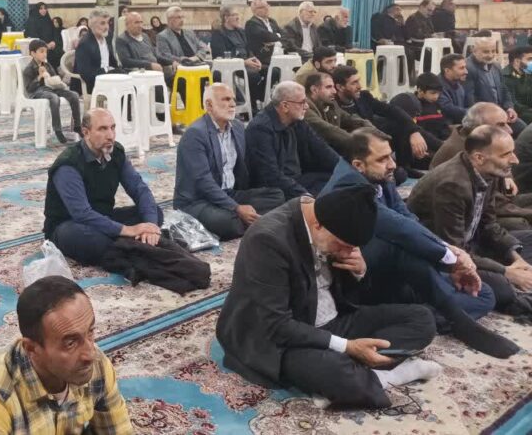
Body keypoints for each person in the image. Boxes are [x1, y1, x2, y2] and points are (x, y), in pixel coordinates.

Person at [216, 183, 440, 410]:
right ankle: (385, 376)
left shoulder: (334, 225)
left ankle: (350, 373)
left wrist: (359, 271)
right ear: (318, 225)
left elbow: (352, 297)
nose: (346, 252)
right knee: (334, 372)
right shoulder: (267, 240)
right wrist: (347, 346)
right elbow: (276, 324)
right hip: (279, 337)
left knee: (421, 319)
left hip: (332, 321)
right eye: (343, 246)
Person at [322, 130, 516, 358]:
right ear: (358, 165)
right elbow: (398, 228)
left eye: (391, 156)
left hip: (396, 274)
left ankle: (424, 314)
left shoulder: (378, 176)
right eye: (383, 159)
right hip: (360, 280)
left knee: (487, 294)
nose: (392, 164)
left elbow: (405, 215)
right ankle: (454, 319)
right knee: (401, 246)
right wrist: (450, 258)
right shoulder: (347, 186)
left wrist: (448, 250)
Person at [0, 276, 131, 434]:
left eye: (90, 332)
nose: (90, 354)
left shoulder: (95, 364)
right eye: (70, 343)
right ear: (31, 348)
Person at [407, 126, 532, 316]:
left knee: (526, 239)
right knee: (502, 289)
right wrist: (507, 271)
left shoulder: (487, 172)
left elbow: (489, 225)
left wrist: (516, 258)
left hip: (471, 245)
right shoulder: (452, 184)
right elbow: (454, 250)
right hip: (444, 257)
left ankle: (519, 277)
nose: (515, 159)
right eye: (506, 154)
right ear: (479, 157)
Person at [43, 108, 163, 266]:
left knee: (155, 212)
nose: (110, 135)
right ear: (86, 132)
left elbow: (139, 189)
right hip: (69, 225)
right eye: (103, 129)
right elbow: (82, 214)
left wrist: (151, 226)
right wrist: (129, 230)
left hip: (103, 216)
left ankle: (127, 244)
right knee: (91, 240)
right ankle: (130, 245)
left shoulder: (116, 152)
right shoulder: (69, 164)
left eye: (113, 128)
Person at [175, 84, 284, 240]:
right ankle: (247, 220)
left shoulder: (237, 127)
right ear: (209, 105)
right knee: (228, 223)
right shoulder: (195, 134)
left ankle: (246, 220)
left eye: (233, 99)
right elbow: (203, 182)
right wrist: (236, 208)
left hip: (229, 193)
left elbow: (244, 169)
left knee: (277, 196)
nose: (232, 104)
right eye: (226, 99)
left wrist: (245, 200)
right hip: (198, 200)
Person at [245, 80, 339, 197]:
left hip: (298, 179)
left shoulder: (296, 120)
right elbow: (269, 175)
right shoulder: (260, 129)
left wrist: (346, 170)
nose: (307, 106)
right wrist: (305, 195)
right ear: (285, 106)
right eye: (302, 102)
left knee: (340, 180)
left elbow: (321, 148)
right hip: (277, 189)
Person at [332, 65, 430, 174]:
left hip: (376, 140)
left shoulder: (364, 97)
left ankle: (406, 166)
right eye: (354, 83)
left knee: (401, 125)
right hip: (355, 149)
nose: (360, 86)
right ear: (340, 87)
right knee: (398, 174)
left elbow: (392, 110)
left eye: (358, 81)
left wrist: (414, 131)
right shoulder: (333, 106)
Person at [23, 40, 81, 145]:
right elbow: (29, 89)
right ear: (33, 53)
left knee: (74, 95)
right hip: (37, 91)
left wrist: (57, 82)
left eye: (46, 51)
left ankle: (77, 126)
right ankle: (58, 130)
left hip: (51, 88)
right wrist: (39, 76)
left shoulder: (47, 65)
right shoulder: (29, 69)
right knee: (54, 98)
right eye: (41, 51)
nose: (44, 54)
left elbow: (55, 78)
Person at [303, 72, 372, 158]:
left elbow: (351, 119)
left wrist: (378, 135)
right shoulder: (305, 108)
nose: (334, 91)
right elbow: (328, 130)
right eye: (328, 87)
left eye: (333, 87)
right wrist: (363, 145)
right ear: (314, 90)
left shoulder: (330, 103)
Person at [467, 38, 526, 134]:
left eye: (493, 51)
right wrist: (493, 115)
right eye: (486, 52)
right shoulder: (468, 68)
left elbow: (504, 89)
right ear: (474, 50)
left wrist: (509, 108)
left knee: (523, 129)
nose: (490, 55)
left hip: (501, 112)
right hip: (484, 117)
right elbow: (470, 100)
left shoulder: (496, 65)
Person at [208, 6, 264, 103]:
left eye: (238, 15)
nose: (238, 18)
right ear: (226, 18)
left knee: (272, 71)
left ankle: (259, 98)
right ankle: (251, 104)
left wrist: (255, 59)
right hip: (232, 66)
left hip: (247, 62)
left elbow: (248, 49)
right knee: (254, 76)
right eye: (234, 15)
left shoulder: (241, 31)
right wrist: (244, 62)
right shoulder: (218, 34)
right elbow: (220, 56)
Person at [391, 73, 452, 149]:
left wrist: (447, 140)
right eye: (433, 93)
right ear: (420, 91)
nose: (436, 96)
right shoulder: (412, 106)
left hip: (440, 145)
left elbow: (443, 126)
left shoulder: (437, 106)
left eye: (438, 93)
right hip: (422, 146)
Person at [72, 8, 118, 95]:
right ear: (92, 25)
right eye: (102, 23)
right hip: (92, 84)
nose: (107, 27)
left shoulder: (107, 38)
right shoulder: (85, 44)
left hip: (109, 79)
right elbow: (86, 74)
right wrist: (107, 70)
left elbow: (113, 63)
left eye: (107, 23)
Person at [115, 11, 169, 78]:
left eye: (141, 22)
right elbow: (126, 61)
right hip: (139, 73)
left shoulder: (145, 36)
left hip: (155, 70)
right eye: (136, 22)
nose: (140, 25)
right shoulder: (122, 40)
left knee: (174, 72)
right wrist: (149, 65)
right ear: (127, 25)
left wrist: (172, 61)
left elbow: (155, 54)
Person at [245, 0, 291, 65]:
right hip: (263, 57)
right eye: (262, 7)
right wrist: (278, 35)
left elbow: (285, 35)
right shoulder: (251, 23)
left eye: (267, 6)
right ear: (254, 10)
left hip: (279, 54)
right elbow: (267, 37)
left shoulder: (272, 21)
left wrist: (278, 42)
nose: (266, 8)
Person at [438, 53, 473, 124]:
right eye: (461, 68)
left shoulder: (458, 84)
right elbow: (448, 109)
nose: (466, 71)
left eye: (465, 67)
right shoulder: (437, 86)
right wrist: (474, 113)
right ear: (447, 70)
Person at [24, 3, 61, 67]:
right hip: (39, 49)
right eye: (41, 9)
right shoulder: (32, 21)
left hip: (51, 49)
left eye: (45, 8)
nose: (43, 10)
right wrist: (45, 45)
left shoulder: (48, 20)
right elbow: (33, 37)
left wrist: (54, 42)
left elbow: (55, 33)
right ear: (36, 10)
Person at [502, 46, 532, 125]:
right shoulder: (506, 77)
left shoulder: (528, 73)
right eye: (529, 59)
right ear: (517, 61)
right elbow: (513, 103)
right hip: (516, 115)